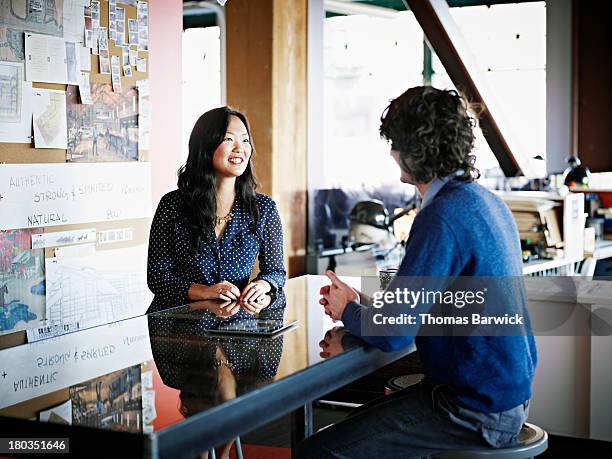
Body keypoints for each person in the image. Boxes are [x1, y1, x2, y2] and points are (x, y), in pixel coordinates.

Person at [295, 87, 537, 458]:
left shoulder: (441, 216)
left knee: (317, 452)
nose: (391, 154)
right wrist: (365, 304)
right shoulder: (486, 202)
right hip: (505, 398)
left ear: (412, 149)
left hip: (473, 410)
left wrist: (347, 311)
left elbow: (394, 333)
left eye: (394, 143)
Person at [147, 106, 286, 313]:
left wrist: (262, 285)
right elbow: (157, 278)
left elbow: (276, 272)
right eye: (229, 139)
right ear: (206, 146)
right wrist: (204, 291)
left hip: (237, 331)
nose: (240, 148)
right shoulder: (172, 205)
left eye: (245, 140)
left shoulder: (264, 207)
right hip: (179, 329)